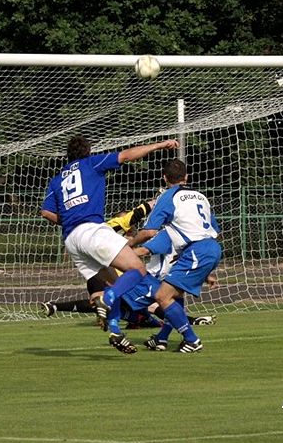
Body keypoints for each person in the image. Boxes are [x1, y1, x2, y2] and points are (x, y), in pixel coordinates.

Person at [40, 135, 178, 353]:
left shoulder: (57, 180)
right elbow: (126, 155)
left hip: (71, 239)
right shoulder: (91, 163)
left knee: (115, 283)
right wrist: (159, 145)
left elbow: (46, 212)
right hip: (92, 230)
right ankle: (108, 299)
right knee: (138, 269)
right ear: (88, 151)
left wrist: (69, 220)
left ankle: (115, 330)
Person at [129, 159, 222, 353]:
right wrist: (208, 270)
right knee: (174, 296)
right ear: (186, 177)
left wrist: (127, 245)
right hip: (210, 248)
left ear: (164, 178)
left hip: (196, 250)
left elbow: (148, 232)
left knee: (162, 296)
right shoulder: (200, 196)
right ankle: (161, 338)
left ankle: (192, 340)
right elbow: (213, 229)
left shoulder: (168, 196)